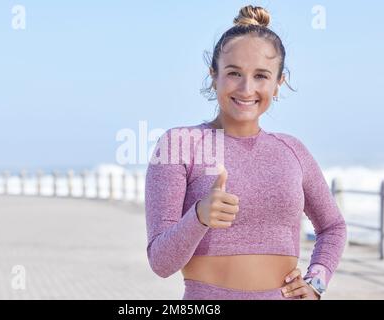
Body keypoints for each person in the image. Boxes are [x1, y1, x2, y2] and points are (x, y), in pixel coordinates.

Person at [144, 4, 347, 300]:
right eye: (234, 72)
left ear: (279, 83)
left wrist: (316, 282)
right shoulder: (179, 144)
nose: (246, 88)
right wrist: (199, 216)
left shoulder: (293, 151)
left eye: (262, 75)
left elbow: (333, 226)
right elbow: (161, 263)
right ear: (213, 76)